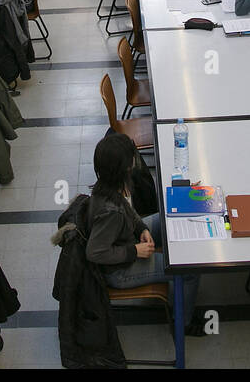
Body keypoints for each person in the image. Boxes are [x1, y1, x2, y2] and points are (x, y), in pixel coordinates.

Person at [86, 131, 204, 334]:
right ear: (122, 167)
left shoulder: (112, 185)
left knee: (166, 218)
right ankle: (182, 324)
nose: (135, 158)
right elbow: (95, 252)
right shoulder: (109, 213)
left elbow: (128, 210)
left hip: (127, 238)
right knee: (189, 271)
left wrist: (141, 227)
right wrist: (134, 251)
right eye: (132, 156)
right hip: (120, 270)